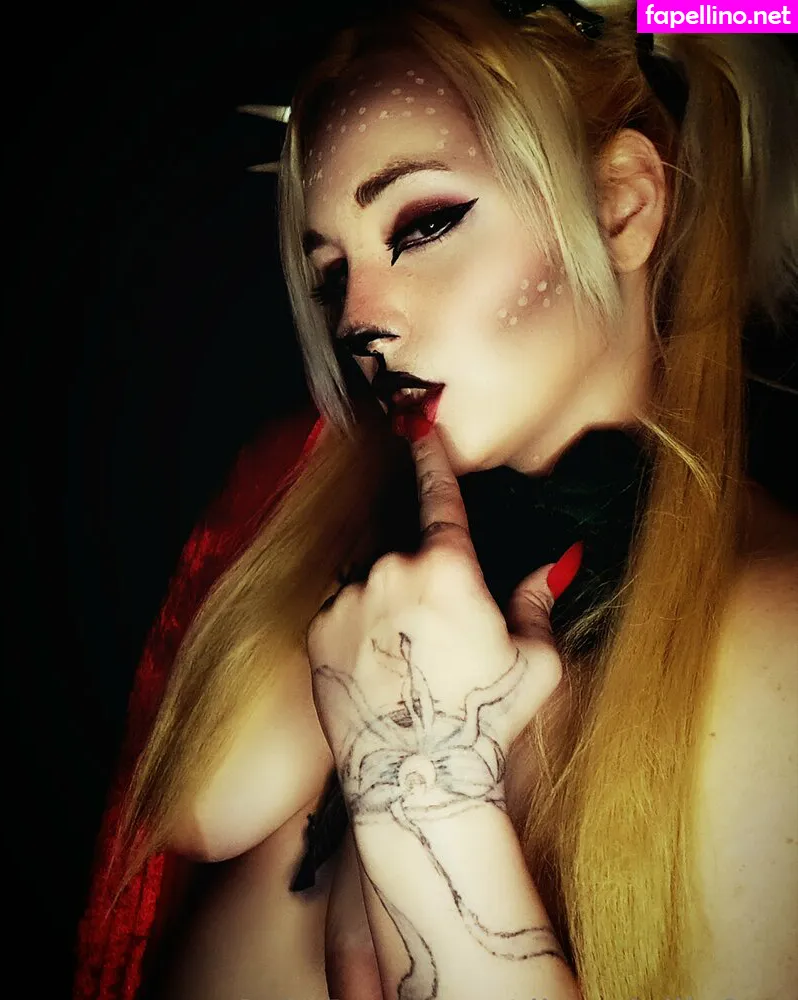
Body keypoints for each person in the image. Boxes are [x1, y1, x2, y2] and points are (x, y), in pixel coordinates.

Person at [74, 1, 798, 997]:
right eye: (332, 273)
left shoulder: (767, 630)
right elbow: (194, 808)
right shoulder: (336, 505)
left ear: (623, 207)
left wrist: (421, 789)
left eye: (421, 225)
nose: (359, 323)